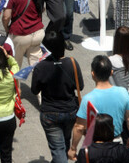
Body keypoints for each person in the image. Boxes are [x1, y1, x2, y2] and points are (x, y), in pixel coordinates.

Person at [69, 56, 129, 160]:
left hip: (94, 147)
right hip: (116, 144)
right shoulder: (123, 93)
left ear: (93, 74)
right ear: (111, 72)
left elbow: (79, 127)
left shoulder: (88, 99)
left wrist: (73, 148)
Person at [32, 30, 84, 163]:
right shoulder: (72, 63)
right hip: (70, 111)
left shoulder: (40, 67)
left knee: (58, 149)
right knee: (65, 142)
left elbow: (34, 90)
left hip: (50, 114)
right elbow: (81, 86)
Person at [2, 0, 45, 68]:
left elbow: (6, 16)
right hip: (37, 34)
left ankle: (16, 85)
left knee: (14, 66)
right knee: (37, 66)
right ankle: (40, 84)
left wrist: (6, 28)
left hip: (20, 35)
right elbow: (41, 9)